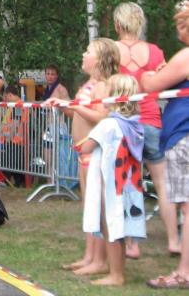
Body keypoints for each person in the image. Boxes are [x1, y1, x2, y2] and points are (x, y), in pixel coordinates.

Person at [114, 1, 181, 259]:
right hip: (152, 120)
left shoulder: (112, 50)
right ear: (139, 23)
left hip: (124, 122)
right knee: (163, 184)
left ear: (118, 24)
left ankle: (132, 244)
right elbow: (163, 83)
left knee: (129, 182)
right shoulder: (154, 51)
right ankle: (173, 241)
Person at [53, 37, 120, 276]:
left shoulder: (102, 85)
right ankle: (90, 256)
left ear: (100, 59)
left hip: (95, 153)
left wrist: (73, 105)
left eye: (88, 51)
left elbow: (102, 116)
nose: (83, 54)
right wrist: (64, 107)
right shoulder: (88, 84)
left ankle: (100, 260)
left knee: (98, 207)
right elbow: (80, 114)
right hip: (83, 153)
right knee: (89, 207)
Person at [79, 73, 146, 286]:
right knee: (120, 228)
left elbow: (86, 147)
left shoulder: (108, 124)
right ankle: (116, 270)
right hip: (129, 185)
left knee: (111, 227)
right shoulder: (135, 124)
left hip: (111, 185)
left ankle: (116, 274)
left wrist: (82, 142)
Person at [142, 0, 189, 290]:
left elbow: (150, 85)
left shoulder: (185, 56)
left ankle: (185, 272)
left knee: (187, 206)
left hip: (184, 136)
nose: (178, 30)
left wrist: (153, 73)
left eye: (181, 24)